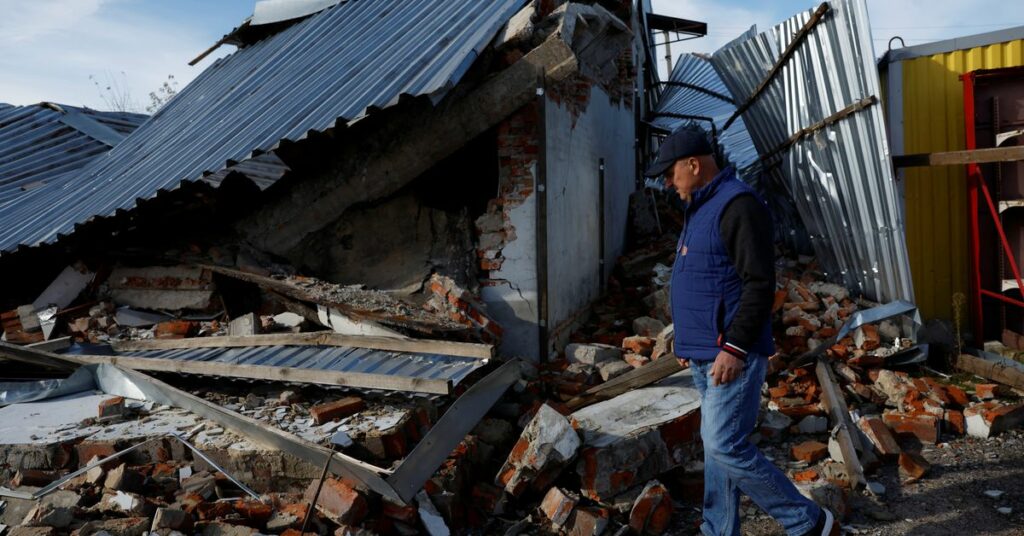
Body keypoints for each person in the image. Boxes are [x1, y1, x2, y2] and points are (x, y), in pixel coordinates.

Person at [644, 129, 838, 536]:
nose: (667, 182)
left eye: (670, 173)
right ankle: (718, 529)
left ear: (694, 165)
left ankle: (808, 522)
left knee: (723, 445)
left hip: (731, 356)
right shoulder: (702, 206)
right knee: (718, 452)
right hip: (705, 353)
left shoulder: (738, 206)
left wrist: (733, 347)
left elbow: (758, 284)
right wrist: (687, 340)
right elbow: (706, 276)